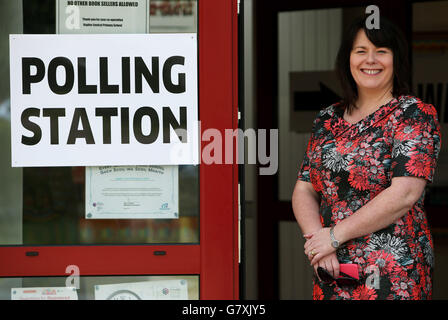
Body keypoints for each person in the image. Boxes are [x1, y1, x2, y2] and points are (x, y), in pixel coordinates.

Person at [292, 15, 441, 300]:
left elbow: (405, 193)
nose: (370, 60)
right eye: (361, 51)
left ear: (396, 60)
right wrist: (317, 242)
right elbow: (304, 187)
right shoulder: (327, 119)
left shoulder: (413, 114)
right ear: (347, 59)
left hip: (392, 275)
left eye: (381, 51)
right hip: (333, 268)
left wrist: (334, 235)